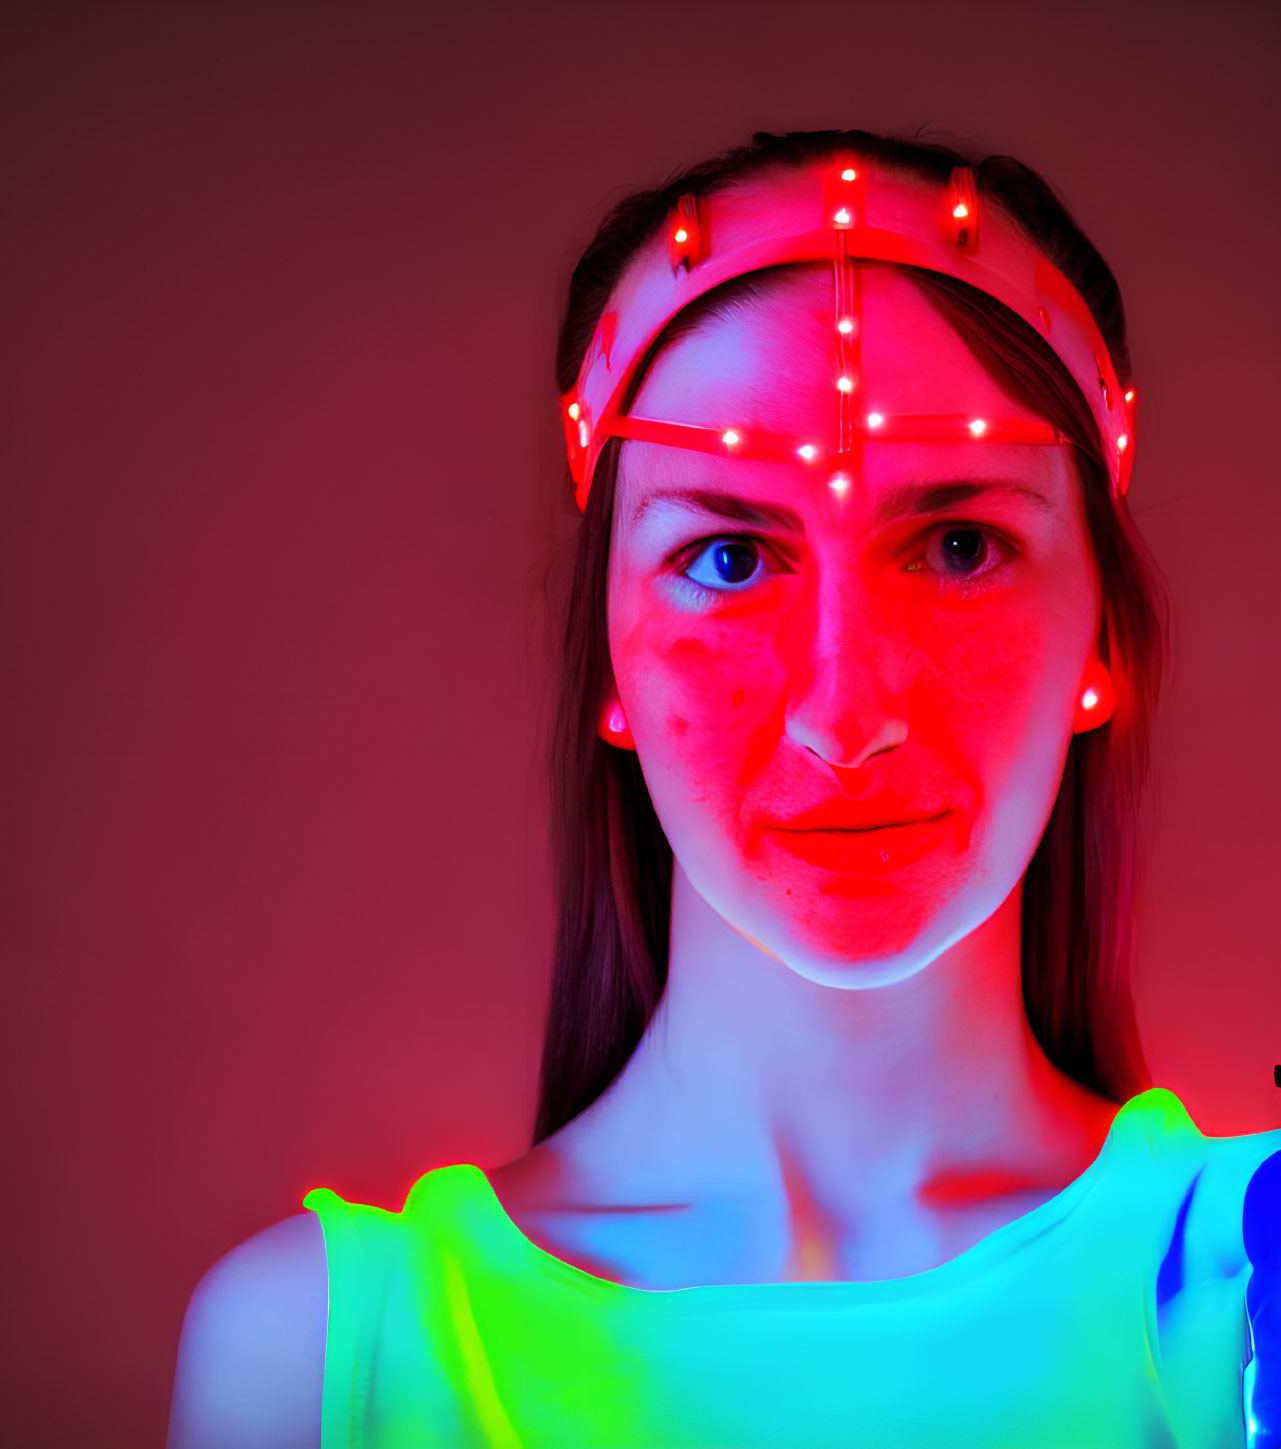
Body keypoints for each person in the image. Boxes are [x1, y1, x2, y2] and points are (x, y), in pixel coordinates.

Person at [167, 128, 1280, 1449]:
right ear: (610, 666)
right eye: (729, 557)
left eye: (959, 545)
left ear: (1099, 637)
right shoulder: (313, 1359)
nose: (843, 715)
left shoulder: (1250, 1299)